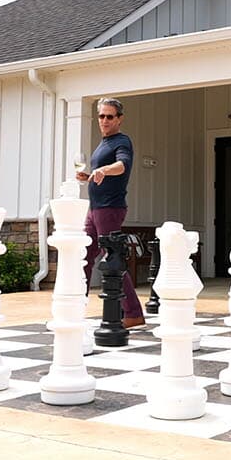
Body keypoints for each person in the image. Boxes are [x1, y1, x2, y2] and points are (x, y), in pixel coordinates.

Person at [77, 97, 145, 328]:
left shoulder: (121, 141)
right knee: (83, 257)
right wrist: (90, 177)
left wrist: (104, 169)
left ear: (119, 119)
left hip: (110, 208)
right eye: (101, 116)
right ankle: (76, 306)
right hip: (95, 208)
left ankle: (133, 313)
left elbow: (122, 165)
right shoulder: (102, 143)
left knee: (113, 259)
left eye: (109, 116)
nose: (104, 120)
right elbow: (101, 174)